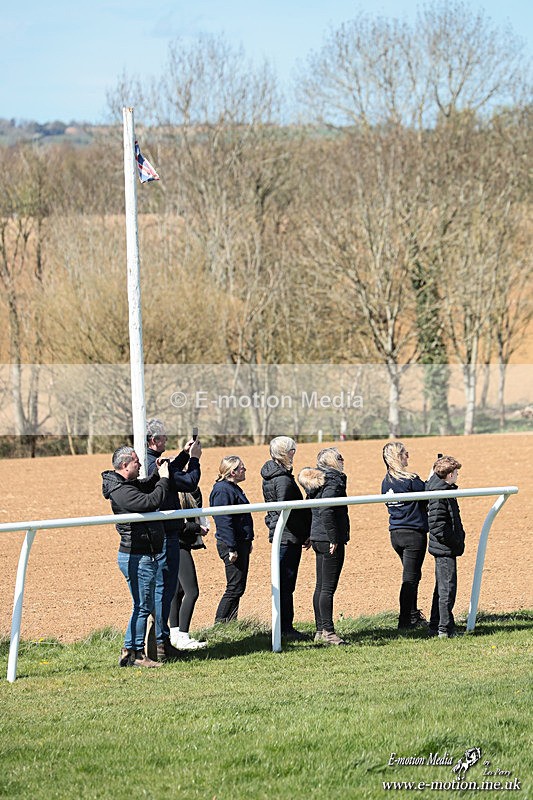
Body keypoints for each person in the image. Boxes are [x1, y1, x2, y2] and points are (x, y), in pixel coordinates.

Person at [101, 445, 169, 668]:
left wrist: (158, 472)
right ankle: (137, 655)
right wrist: (164, 480)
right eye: (136, 461)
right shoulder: (121, 491)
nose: (140, 464)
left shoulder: (126, 485)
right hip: (138, 556)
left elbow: (146, 485)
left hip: (140, 555)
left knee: (141, 605)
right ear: (124, 465)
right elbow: (150, 502)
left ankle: (128, 650)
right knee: (142, 606)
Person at [145, 418, 202, 661]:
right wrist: (195, 459)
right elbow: (187, 482)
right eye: (163, 438)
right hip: (166, 535)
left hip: (164, 533)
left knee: (170, 591)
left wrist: (184, 454)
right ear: (153, 440)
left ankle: (165, 642)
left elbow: (173, 473)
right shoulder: (153, 465)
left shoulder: (150, 461)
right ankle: (161, 644)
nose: (166, 440)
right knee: (165, 592)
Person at [261, 436, 311, 640]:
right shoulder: (282, 479)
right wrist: (304, 533)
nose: (294, 454)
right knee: (286, 585)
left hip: (285, 535)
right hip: (287, 537)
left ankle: (283, 627)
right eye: (292, 451)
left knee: (284, 584)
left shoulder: (273, 475)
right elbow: (286, 512)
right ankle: (285, 629)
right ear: (285, 453)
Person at [298, 448, 350, 646]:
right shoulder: (333, 480)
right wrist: (334, 538)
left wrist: (310, 533)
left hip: (318, 537)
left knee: (321, 586)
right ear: (330, 462)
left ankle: (320, 630)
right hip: (328, 538)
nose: (343, 460)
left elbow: (309, 508)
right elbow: (327, 509)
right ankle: (328, 632)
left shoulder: (316, 481)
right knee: (327, 587)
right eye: (339, 457)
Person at [381, 442, 429, 631]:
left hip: (396, 534)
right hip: (413, 534)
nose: (408, 456)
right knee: (410, 578)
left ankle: (412, 615)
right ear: (398, 457)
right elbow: (428, 494)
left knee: (413, 575)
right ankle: (405, 621)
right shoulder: (411, 479)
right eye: (405, 453)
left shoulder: (386, 482)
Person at [209, 455, 254, 624]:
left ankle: (231, 623)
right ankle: (220, 623)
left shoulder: (232, 488)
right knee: (234, 587)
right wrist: (231, 547)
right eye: (242, 467)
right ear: (233, 472)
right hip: (231, 544)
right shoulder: (223, 490)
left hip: (240, 543)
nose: (245, 469)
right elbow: (223, 520)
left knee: (238, 587)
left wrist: (248, 541)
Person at [426, 456, 466, 639]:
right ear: (450, 475)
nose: (457, 475)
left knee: (442, 588)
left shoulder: (443, 489)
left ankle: (435, 625)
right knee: (447, 589)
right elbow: (437, 526)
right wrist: (456, 541)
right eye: (456, 472)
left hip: (444, 547)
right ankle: (444, 629)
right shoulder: (439, 494)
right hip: (444, 548)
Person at [168, 489, 209, 650]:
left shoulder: (187, 492)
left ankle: (175, 634)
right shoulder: (175, 495)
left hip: (178, 545)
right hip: (178, 546)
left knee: (177, 591)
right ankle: (183, 636)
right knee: (192, 592)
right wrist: (197, 528)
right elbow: (178, 524)